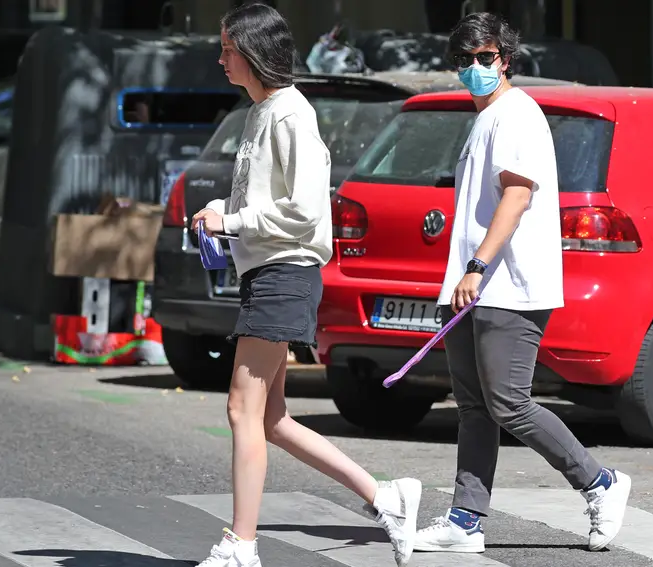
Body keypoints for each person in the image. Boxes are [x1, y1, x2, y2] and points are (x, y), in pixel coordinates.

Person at [189, 3, 420, 567]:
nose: (220, 59)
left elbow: (306, 209)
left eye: (226, 49)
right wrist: (221, 210)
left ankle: (241, 545)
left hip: (284, 275)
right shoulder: (261, 112)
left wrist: (235, 221)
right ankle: (385, 497)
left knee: (243, 411)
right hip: (270, 274)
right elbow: (266, 199)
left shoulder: (291, 113)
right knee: (269, 419)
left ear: (252, 53)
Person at [412, 12, 632, 555]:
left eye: (484, 58)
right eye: (463, 61)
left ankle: (600, 484)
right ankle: (466, 519)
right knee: (473, 407)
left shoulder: (516, 113)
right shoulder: (485, 118)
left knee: (509, 403)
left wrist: (478, 265)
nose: (474, 68)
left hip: (507, 285)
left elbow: (516, 196)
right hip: (474, 288)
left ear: (505, 60)